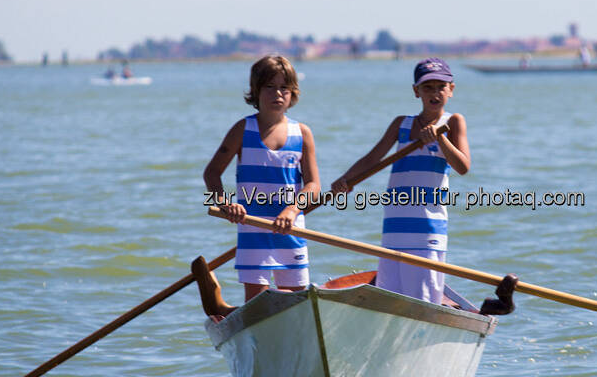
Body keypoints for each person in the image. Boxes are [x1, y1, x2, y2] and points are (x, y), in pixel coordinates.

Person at [331, 58, 471, 306]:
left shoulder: (452, 122)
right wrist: (345, 180)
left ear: (451, 89)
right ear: (416, 91)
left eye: (441, 86)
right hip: (394, 227)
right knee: (390, 298)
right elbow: (372, 158)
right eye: (427, 87)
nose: (435, 93)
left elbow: (463, 166)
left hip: (427, 229)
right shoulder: (401, 124)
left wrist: (441, 140)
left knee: (422, 302)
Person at [194, 55, 320, 318]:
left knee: (295, 304)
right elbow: (212, 173)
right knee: (258, 307)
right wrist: (226, 203)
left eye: (284, 87)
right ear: (255, 91)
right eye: (269, 87)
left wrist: (293, 210)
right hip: (252, 228)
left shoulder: (302, 133)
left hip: (290, 228)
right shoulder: (243, 130)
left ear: (293, 92)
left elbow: (313, 185)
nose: (278, 93)